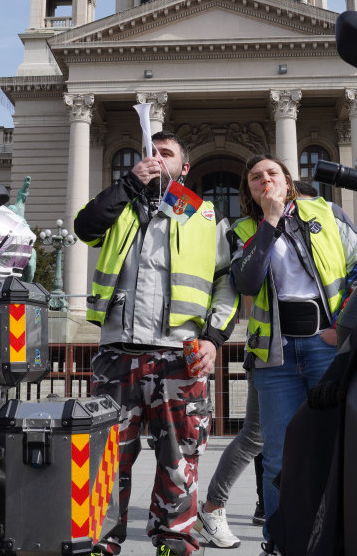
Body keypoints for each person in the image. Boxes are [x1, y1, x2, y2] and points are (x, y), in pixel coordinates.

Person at [74, 130, 238, 556]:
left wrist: (214, 337)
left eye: (166, 154)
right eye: (150, 153)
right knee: (106, 454)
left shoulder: (204, 217)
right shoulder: (121, 205)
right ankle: (99, 541)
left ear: (184, 167)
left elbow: (227, 282)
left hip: (179, 357)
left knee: (179, 456)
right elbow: (84, 228)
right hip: (118, 354)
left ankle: (175, 541)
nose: (155, 159)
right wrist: (128, 184)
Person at [228, 154, 357, 555]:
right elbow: (247, 280)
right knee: (279, 459)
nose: (264, 180)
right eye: (255, 177)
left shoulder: (325, 211)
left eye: (272, 173)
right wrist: (270, 223)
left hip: (324, 347)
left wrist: (342, 328)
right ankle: (281, 541)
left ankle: (336, 538)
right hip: (275, 357)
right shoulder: (241, 229)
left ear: (288, 180)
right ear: (249, 189)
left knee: (333, 448)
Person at [195, 364, 262, 548]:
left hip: (322, 348)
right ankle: (213, 507)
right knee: (255, 435)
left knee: (309, 433)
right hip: (273, 355)